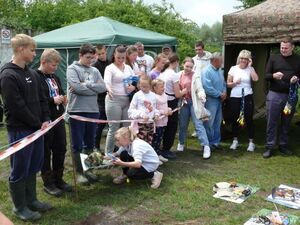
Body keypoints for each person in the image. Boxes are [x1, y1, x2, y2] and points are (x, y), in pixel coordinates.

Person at [0, 34, 52, 221]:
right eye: (32, 49)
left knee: (34, 164)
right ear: (21, 49)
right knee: (20, 167)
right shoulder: (8, 75)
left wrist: (45, 118)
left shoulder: (31, 73)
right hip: (20, 129)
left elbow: (42, 99)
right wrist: (37, 122)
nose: (34, 53)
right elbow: (16, 106)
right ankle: (19, 207)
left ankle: (32, 200)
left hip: (37, 128)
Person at [67, 43, 106, 184]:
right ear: (80, 55)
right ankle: (79, 173)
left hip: (93, 110)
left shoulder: (95, 70)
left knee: (89, 142)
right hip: (77, 110)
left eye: (92, 57)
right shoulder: (72, 69)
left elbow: (103, 87)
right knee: (77, 143)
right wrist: (90, 89)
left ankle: (88, 170)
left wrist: (87, 85)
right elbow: (76, 88)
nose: (90, 60)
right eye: (88, 57)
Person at [37, 48, 72, 197]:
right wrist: (52, 100)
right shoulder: (36, 77)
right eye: (53, 65)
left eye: (57, 65)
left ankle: (59, 179)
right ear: (43, 62)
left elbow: (60, 91)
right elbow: (38, 99)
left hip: (58, 118)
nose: (55, 68)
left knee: (60, 148)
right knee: (46, 151)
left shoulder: (54, 77)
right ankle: (48, 182)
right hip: (45, 120)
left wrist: (63, 98)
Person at [263, 37, 300, 158]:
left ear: (292, 47)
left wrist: (297, 78)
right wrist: (273, 75)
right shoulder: (273, 58)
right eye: (281, 47)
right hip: (274, 94)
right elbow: (266, 75)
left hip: (290, 96)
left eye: (286, 48)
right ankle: (269, 146)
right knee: (271, 122)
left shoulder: (298, 59)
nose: (283, 50)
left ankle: (283, 145)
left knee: (286, 122)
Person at [104, 46, 136, 154]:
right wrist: (109, 90)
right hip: (114, 99)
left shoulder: (128, 67)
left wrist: (133, 87)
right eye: (118, 58)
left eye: (123, 58)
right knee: (114, 128)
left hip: (126, 99)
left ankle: (124, 152)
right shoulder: (110, 68)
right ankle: (108, 154)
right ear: (114, 55)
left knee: (127, 128)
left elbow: (134, 80)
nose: (121, 60)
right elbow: (107, 82)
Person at [177, 57, 211, 159]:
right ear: (183, 65)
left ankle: (206, 146)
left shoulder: (195, 75)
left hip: (194, 103)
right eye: (187, 66)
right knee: (182, 125)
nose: (188, 68)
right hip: (184, 103)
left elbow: (199, 88)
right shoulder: (179, 75)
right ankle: (181, 143)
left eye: (191, 67)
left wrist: (202, 95)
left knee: (198, 125)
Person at [227, 50, 259, 152]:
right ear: (239, 58)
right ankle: (235, 140)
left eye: (246, 58)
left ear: (249, 60)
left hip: (247, 95)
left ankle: (251, 142)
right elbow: (228, 83)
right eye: (242, 58)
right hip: (235, 96)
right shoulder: (233, 68)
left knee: (249, 118)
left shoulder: (250, 69)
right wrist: (234, 83)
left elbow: (256, 79)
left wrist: (250, 67)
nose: (243, 60)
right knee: (234, 118)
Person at [158, 53, 187, 159]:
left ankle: (160, 147)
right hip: (171, 101)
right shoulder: (173, 75)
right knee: (171, 126)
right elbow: (177, 94)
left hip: (162, 100)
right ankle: (166, 149)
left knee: (163, 125)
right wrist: (184, 91)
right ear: (176, 62)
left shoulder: (162, 73)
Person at [202, 52, 227, 150]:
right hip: (211, 100)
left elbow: (223, 83)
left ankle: (216, 142)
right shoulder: (206, 71)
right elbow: (207, 88)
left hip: (219, 100)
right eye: (221, 61)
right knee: (209, 122)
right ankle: (207, 144)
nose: (222, 63)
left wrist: (224, 92)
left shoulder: (219, 70)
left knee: (217, 121)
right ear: (215, 61)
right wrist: (220, 94)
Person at [128, 75, 159, 145]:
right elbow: (130, 111)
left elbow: (154, 108)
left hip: (150, 124)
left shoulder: (153, 95)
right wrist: (141, 115)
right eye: (141, 86)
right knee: (139, 144)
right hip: (140, 125)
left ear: (150, 86)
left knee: (149, 143)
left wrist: (156, 114)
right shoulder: (137, 95)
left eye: (146, 86)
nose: (143, 88)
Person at [191, 41, 212, 138]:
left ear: (203, 48)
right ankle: (197, 128)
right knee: (198, 107)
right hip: (197, 85)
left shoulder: (209, 57)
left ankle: (207, 128)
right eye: (196, 50)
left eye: (199, 49)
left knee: (206, 107)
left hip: (207, 83)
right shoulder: (194, 59)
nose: (198, 51)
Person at [92, 44, 110, 152]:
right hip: (100, 99)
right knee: (100, 124)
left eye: (103, 53)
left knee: (111, 124)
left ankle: (110, 145)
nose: (101, 55)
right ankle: (96, 146)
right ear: (96, 54)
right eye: (99, 54)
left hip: (111, 97)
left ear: (106, 52)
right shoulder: (95, 66)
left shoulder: (110, 63)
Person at [151, 79, 171, 163]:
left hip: (163, 121)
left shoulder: (164, 95)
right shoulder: (153, 97)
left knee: (160, 138)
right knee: (155, 139)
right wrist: (163, 112)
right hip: (158, 122)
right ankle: (153, 156)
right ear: (155, 88)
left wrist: (169, 109)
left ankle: (158, 153)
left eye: (163, 86)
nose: (163, 88)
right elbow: (154, 110)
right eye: (161, 87)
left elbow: (166, 106)